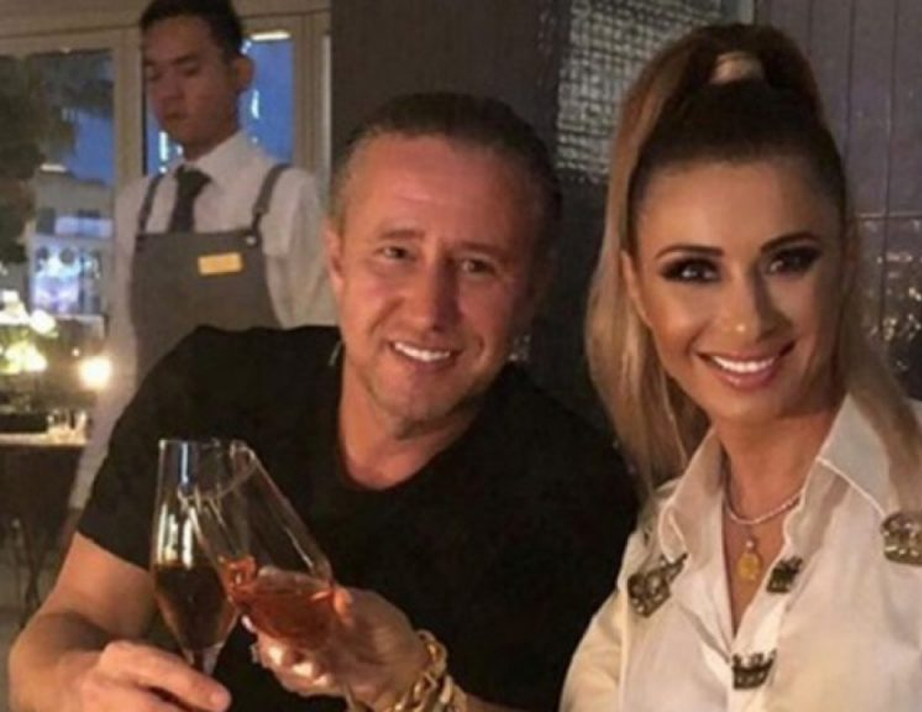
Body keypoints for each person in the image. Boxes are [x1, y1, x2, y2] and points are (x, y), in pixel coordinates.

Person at [561, 23, 922, 711]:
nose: (747, 320)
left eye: (788, 261)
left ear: (846, 258)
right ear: (637, 288)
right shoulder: (662, 542)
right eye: (693, 271)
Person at [8, 92, 638, 712]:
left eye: (477, 266)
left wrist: (412, 692)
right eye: (396, 253)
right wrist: (74, 682)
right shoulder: (209, 389)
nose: (428, 310)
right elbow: (65, 626)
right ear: (336, 260)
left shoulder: (576, 489)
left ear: (531, 293)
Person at [68, 0, 336, 512]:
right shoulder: (137, 206)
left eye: (189, 70)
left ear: (240, 74)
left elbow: (326, 362)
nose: (169, 92)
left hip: (264, 481)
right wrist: (87, 495)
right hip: (148, 476)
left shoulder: (288, 198)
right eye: (155, 75)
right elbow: (124, 365)